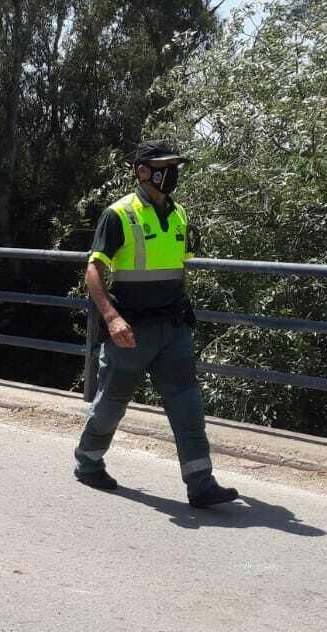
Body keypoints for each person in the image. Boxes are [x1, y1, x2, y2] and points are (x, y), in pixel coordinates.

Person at [74, 140, 239, 508]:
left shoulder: (179, 214)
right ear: (142, 171)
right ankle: (88, 461)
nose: (172, 174)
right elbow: (93, 270)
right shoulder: (119, 214)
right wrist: (112, 318)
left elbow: (180, 268)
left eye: (175, 166)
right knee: (111, 404)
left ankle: (200, 482)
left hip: (173, 327)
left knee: (188, 406)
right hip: (130, 330)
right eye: (165, 166)